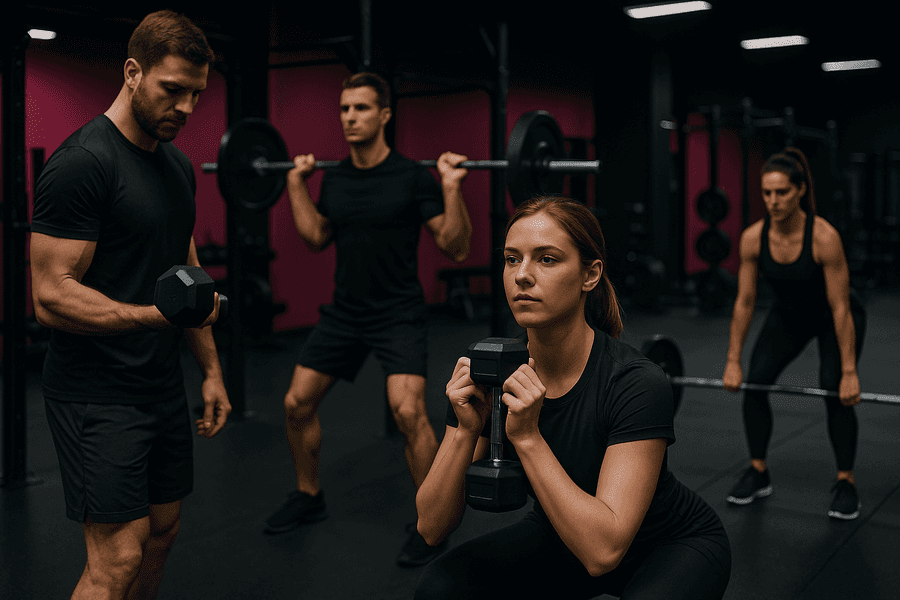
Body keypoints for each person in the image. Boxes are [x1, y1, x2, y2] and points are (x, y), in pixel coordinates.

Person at [414, 196, 731, 599]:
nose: (522, 276)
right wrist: (464, 431)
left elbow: (603, 551)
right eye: (512, 259)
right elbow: (430, 526)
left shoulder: (634, 382)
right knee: (440, 587)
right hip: (563, 531)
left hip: (669, 546)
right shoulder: (491, 374)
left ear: (590, 274)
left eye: (546, 259)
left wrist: (527, 438)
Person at [30, 10, 230, 600]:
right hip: (96, 393)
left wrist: (211, 369)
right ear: (133, 72)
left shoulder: (178, 167)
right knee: (116, 558)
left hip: (159, 386)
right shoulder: (84, 163)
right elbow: (50, 296)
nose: (187, 108)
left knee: (161, 535)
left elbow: (184, 276)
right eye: (173, 90)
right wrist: (153, 319)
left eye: (197, 93)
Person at [264, 72, 473, 567]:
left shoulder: (410, 176)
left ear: (384, 115)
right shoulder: (335, 178)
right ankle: (308, 495)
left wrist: (450, 187)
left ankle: (431, 524)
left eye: (360, 108)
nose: (350, 118)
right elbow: (316, 236)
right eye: (344, 109)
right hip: (345, 312)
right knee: (296, 402)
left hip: (398, 312)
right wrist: (295, 184)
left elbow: (456, 245)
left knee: (408, 413)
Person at [722, 147, 866, 520]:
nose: (772, 201)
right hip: (788, 316)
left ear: (800, 190)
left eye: (781, 192)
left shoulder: (823, 237)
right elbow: (745, 301)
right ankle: (757, 471)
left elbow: (840, 308)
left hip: (832, 315)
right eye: (767, 193)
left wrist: (850, 372)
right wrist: (732, 361)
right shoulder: (753, 237)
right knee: (755, 384)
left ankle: (845, 480)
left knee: (835, 390)